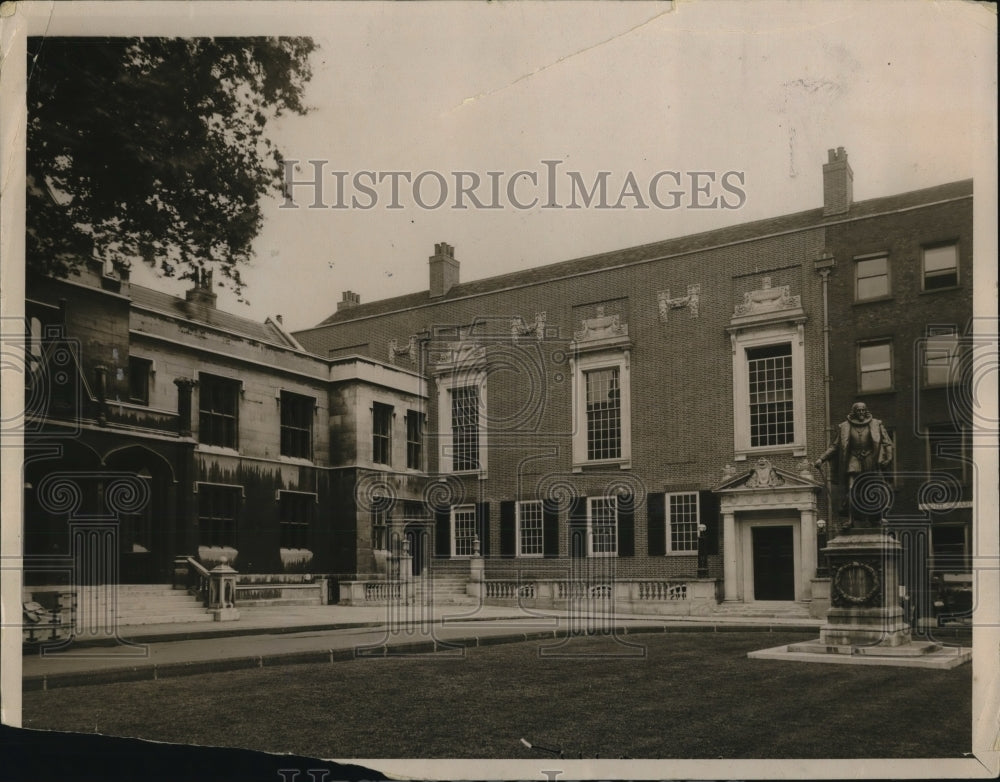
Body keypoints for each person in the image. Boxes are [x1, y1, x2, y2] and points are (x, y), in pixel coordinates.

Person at [815, 402, 894, 525]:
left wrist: (888, 458)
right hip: (853, 458)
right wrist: (821, 459)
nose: (861, 413)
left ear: (866, 411)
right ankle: (850, 520)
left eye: (863, 410)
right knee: (852, 489)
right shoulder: (844, 426)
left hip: (870, 459)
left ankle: (878, 517)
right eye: (858, 410)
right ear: (854, 412)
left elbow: (887, 442)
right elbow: (835, 446)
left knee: (874, 488)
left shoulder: (876, 424)